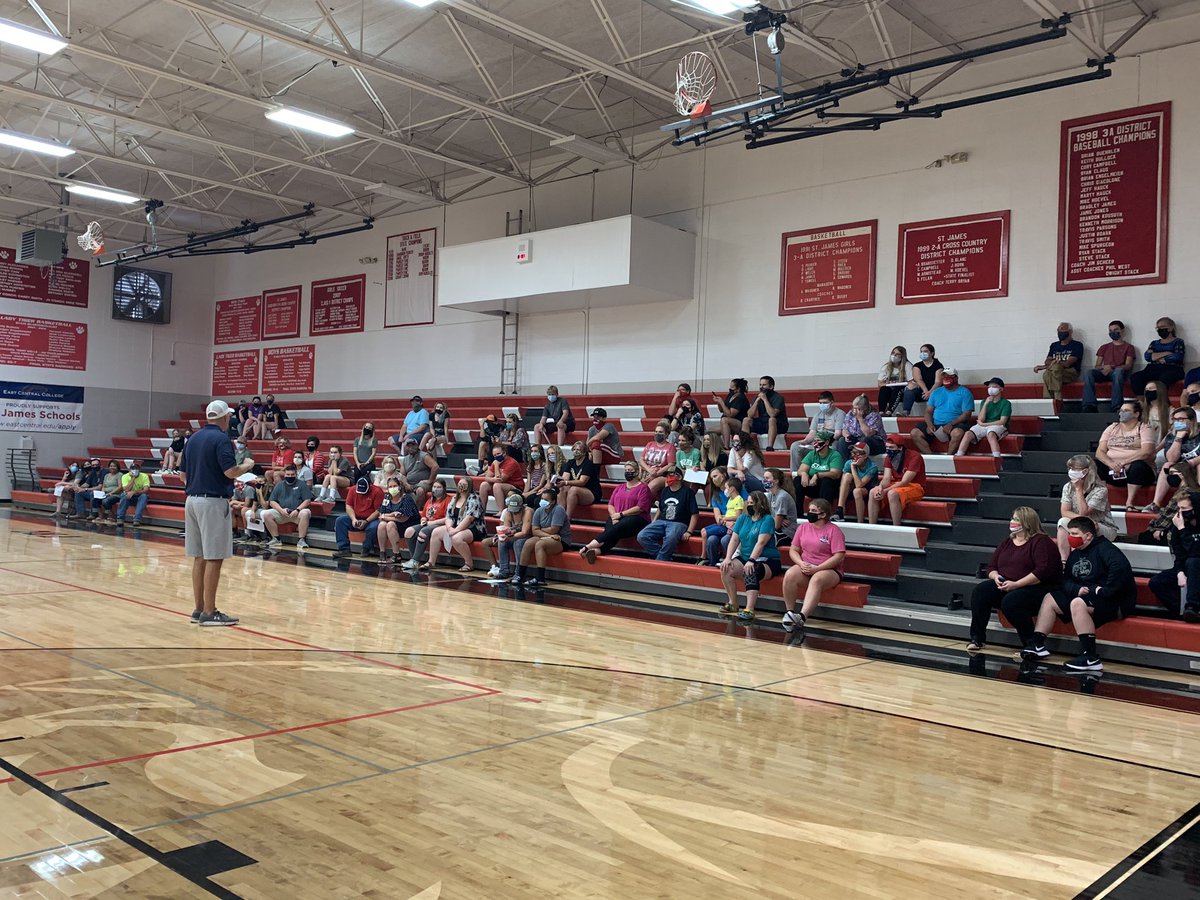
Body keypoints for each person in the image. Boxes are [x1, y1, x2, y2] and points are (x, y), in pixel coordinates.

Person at [1022, 517, 1136, 672]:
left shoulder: (1107, 550)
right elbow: (1065, 579)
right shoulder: (1076, 554)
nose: (1070, 537)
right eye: (1069, 533)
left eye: (1075, 533)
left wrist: (1101, 591)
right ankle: (1037, 644)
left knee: (1077, 603)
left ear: (1088, 535)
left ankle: (1090, 656)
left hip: (1112, 601)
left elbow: (1120, 574)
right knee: (1050, 598)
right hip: (1085, 595)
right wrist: (1076, 589)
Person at [179, 400, 254, 626]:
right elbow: (230, 471)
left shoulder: (192, 439)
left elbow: (183, 475)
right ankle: (210, 612)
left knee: (199, 557)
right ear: (224, 418)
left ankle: (199, 609)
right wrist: (247, 466)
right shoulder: (222, 439)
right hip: (212, 502)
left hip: (191, 500)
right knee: (214, 557)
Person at [967, 505, 1061, 652]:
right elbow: (991, 567)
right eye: (1012, 518)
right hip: (1008, 585)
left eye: (1016, 519)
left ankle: (1031, 644)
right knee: (981, 591)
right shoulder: (1007, 542)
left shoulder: (1041, 541)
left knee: (1011, 601)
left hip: (1036, 588)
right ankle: (977, 638)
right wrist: (996, 576)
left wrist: (1017, 584)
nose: (1012, 521)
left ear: (1027, 522)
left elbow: (1042, 572)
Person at [779, 498, 847, 634]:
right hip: (806, 566)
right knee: (790, 574)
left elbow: (839, 556)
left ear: (823, 514)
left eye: (814, 511)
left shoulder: (834, 531)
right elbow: (793, 549)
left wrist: (817, 568)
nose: (809, 513)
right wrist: (801, 563)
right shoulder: (803, 527)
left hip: (829, 569)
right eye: (809, 510)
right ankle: (790, 612)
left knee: (817, 579)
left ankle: (802, 617)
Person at [717, 490, 781, 623]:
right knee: (726, 568)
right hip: (745, 556)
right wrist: (728, 557)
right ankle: (733, 603)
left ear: (761, 504)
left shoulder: (768, 519)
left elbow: (761, 542)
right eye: (749, 502)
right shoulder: (743, 518)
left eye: (753, 503)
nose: (749, 505)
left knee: (751, 570)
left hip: (767, 560)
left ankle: (749, 609)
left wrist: (751, 560)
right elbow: (734, 540)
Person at [578, 462, 651, 564]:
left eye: (630, 471)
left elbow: (640, 508)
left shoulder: (643, 488)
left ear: (637, 472)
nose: (628, 473)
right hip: (617, 516)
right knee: (612, 529)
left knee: (617, 528)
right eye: (626, 471)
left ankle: (588, 546)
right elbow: (610, 504)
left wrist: (621, 514)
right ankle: (596, 551)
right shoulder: (619, 487)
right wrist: (614, 516)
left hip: (637, 518)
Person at [1148, 491, 1200, 621]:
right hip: (1188, 566)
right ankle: (1183, 612)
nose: (1180, 512)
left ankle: (1193, 606)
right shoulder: (1178, 525)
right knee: (1156, 582)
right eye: (1179, 508)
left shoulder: (1180, 526)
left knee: (1193, 561)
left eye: (1184, 509)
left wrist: (1182, 529)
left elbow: (1196, 551)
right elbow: (1179, 554)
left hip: (1196, 564)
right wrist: (1180, 572)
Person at [1095, 400, 1157, 509]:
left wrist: (1124, 462)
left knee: (1138, 466)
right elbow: (1099, 452)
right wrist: (1111, 463)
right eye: (1121, 410)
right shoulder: (1112, 427)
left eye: (1126, 410)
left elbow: (1147, 451)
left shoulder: (1144, 428)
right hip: (1113, 469)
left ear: (1136, 414)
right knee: (1095, 464)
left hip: (1138, 472)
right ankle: (1101, 500)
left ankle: (1130, 503)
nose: (1122, 413)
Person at [1057, 454, 1118, 561]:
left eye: (1074, 468)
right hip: (1082, 523)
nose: (1071, 471)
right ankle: (1064, 561)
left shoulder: (1101, 490)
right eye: (1070, 468)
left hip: (1103, 526)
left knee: (1081, 528)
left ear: (1085, 471)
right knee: (1063, 522)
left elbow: (1084, 512)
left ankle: (1085, 560)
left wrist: (1079, 490)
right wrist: (1083, 519)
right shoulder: (1068, 486)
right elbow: (1065, 512)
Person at [636, 466, 700, 561]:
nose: (668, 477)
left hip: (679, 523)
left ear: (679, 477)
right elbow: (661, 508)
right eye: (667, 475)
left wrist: (689, 531)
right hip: (662, 521)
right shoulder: (665, 491)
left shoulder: (688, 492)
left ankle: (660, 560)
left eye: (671, 474)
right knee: (642, 536)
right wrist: (654, 521)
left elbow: (694, 513)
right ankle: (663, 557)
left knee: (671, 538)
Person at [1143, 407, 1200, 512]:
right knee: (1167, 465)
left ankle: (1185, 505)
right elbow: (1171, 459)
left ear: (1191, 420)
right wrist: (1178, 438)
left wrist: (1190, 463)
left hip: (1195, 469)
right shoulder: (1172, 436)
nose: (1177, 422)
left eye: (1181, 419)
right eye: (1175, 419)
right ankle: (1155, 504)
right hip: (1179, 470)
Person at [514, 486, 571, 587]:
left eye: (545, 499)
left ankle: (540, 578)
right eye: (542, 499)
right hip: (550, 537)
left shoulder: (559, 509)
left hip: (561, 539)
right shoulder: (539, 511)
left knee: (540, 545)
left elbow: (554, 529)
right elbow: (534, 531)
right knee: (527, 543)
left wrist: (540, 530)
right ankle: (520, 575)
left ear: (553, 501)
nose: (542, 501)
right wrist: (547, 535)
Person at [909, 367, 973, 455]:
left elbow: (966, 414)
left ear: (956, 378)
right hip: (936, 423)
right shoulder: (936, 392)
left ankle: (948, 458)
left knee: (957, 433)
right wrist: (929, 424)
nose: (946, 377)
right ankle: (931, 457)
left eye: (949, 375)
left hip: (956, 424)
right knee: (914, 433)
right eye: (944, 375)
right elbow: (928, 412)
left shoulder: (965, 392)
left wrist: (951, 424)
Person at [427, 478, 485, 571]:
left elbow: (470, 518)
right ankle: (431, 562)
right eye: (459, 483)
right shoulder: (454, 498)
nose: (461, 485)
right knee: (436, 532)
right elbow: (448, 516)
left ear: (469, 486)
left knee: (456, 538)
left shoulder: (474, 498)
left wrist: (456, 530)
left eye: (463, 484)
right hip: (456, 526)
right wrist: (449, 528)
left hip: (474, 528)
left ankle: (469, 563)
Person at [868, 435, 926, 526]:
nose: (888, 450)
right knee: (873, 491)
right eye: (887, 447)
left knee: (892, 493)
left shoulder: (915, 456)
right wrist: (880, 487)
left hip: (914, 485)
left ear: (900, 447)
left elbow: (905, 481)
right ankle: (871, 526)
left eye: (891, 447)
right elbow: (886, 478)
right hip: (896, 484)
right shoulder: (889, 457)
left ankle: (896, 527)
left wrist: (886, 491)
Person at [1081, 320, 1137, 413]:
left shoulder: (1129, 347)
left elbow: (1128, 365)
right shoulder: (1104, 347)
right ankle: (1089, 405)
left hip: (1119, 373)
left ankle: (1117, 406)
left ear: (1122, 331)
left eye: (1116, 330)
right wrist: (1104, 367)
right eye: (1110, 330)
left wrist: (1112, 367)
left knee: (1118, 372)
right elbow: (1097, 365)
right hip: (1104, 372)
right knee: (1089, 373)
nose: (1113, 332)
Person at [1129, 316, 1185, 404]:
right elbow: (1148, 357)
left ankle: (1160, 403)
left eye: (1162, 327)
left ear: (1171, 328)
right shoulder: (1154, 343)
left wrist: (1156, 357)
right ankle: (1141, 403)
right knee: (1136, 377)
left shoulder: (1178, 341)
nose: (1160, 330)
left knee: (1164, 378)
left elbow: (1177, 357)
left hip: (1172, 369)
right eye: (1158, 328)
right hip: (1153, 368)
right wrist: (1167, 352)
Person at [261, 462, 314, 550]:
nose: (290, 476)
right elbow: (272, 501)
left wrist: (297, 510)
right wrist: (281, 510)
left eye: (292, 474)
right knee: (266, 514)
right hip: (283, 512)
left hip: (297, 513)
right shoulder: (279, 485)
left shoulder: (301, 484)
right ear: (284, 475)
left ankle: (301, 540)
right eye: (288, 474)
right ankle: (276, 539)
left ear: (296, 474)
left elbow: (307, 500)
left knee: (305, 512)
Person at [401, 481, 451, 570]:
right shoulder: (429, 500)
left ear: (444, 489)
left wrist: (431, 523)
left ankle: (415, 560)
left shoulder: (448, 500)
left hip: (440, 525)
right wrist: (423, 519)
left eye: (439, 487)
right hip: (427, 523)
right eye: (434, 487)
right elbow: (424, 515)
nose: (436, 489)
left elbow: (448, 518)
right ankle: (414, 559)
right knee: (409, 531)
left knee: (423, 532)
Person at [957, 377, 1011, 458]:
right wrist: (986, 404)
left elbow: (1002, 421)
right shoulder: (984, 401)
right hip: (983, 425)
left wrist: (984, 424)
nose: (991, 389)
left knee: (991, 434)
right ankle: (959, 456)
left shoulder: (1006, 403)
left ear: (1001, 389)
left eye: (994, 386)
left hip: (998, 426)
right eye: (989, 387)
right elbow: (981, 419)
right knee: (968, 434)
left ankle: (997, 459)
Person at [332, 477, 385, 559]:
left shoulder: (378, 491)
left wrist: (366, 521)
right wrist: (353, 519)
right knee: (340, 521)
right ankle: (344, 549)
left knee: (374, 526)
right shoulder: (353, 490)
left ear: (370, 486)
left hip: (371, 519)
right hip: (356, 517)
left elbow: (378, 511)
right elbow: (348, 506)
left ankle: (366, 549)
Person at [700, 472, 746, 566]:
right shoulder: (726, 498)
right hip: (724, 524)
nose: (713, 479)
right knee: (711, 540)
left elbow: (740, 515)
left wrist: (725, 519)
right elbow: (718, 518)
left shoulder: (739, 498)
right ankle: (712, 563)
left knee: (724, 540)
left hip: (734, 525)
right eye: (711, 477)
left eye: (715, 476)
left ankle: (730, 561)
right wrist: (724, 520)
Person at [789, 391, 845, 465]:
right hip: (816, 441)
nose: (822, 405)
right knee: (795, 446)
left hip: (831, 442)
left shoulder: (840, 414)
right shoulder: (817, 415)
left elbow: (838, 433)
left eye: (825, 403)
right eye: (820, 403)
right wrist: (805, 441)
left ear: (831, 402)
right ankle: (796, 473)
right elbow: (812, 432)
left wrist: (824, 442)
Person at [484, 491, 532, 578]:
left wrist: (510, 536)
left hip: (528, 536)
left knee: (518, 543)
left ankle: (519, 572)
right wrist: (502, 536)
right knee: (502, 542)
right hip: (515, 535)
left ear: (522, 506)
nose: (514, 512)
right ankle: (504, 570)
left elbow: (525, 532)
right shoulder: (508, 512)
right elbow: (506, 529)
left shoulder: (528, 511)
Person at [1034, 322, 1084, 402]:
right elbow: (1047, 361)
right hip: (1056, 373)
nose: (1060, 332)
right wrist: (1052, 363)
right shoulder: (1054, 345)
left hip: (1070, 373)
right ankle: (1054, 400)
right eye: (1058, 330)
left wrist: (1052, 364)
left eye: (1062, 330)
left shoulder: (1077, 345)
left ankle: (1052, 401)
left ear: (1070, 332)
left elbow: (1067, 364)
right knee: (1047, 374)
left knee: (1054, 369)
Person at [377, 478, 421, 565]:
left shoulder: (407, 499)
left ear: (400, 487)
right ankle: (382, 552)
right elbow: (381, 515)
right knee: (382, 525)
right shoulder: (386, 498)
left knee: (390, 524)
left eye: (394, 486)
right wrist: (392, 514)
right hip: (396, 524)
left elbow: (403, 518)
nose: (392, 488)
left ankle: (396, 554)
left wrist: (386, 517)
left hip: (409, 525)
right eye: (390, 486)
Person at [835, 442, 879, 523]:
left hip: (868, 490)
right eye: (853, 452)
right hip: (852, 488)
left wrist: (853, 467)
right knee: (847, 475)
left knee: (857, 491)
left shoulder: (872, 467)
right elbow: (843, 482)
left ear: (865, 456)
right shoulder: (848, 462)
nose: (854, 456)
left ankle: (860, 521)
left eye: (857, 453)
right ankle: (840, 508)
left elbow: (859, 485)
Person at [742, 375, 789, 451]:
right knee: (746, 420)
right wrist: (757, 401)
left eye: (764, 385)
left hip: (778, 424)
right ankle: (745, 446)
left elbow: (772, 414)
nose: (761, 387)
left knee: (772, 419)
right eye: (760, 385)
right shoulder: (756, 397)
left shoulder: (778, 397)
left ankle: (770, 446)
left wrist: (765, 399)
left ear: (771, 387)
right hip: (763, 422)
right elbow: (750, 415)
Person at [794, 432, 844, 504]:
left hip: (830, 488)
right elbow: (801, 470)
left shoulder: (835, 455)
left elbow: (836, 474)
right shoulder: (812, 454)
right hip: (813, 485)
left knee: (827, 481)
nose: (815, 443)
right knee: (797, 480)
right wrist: (804, 474)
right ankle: (798, 513)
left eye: (818, 441)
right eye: (814, 441)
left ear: (826, 442)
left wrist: (818, 475)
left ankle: (824, 510)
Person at [560, 441, 602, 520]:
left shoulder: (588, 464)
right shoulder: (570, 462)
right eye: (574, 449)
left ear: (584, 452)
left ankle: (567, 518)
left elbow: (582, 482)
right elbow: (565, 477)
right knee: (562, 488)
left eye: (578, 450)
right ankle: (561, 514)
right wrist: (561, 481)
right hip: (576, 490)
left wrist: (566, 482)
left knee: (573, 489)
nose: (575, 451)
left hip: (591, 492)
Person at [900, 344, 945, 415]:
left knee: (938, 394)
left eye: (925, 351)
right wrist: (926, 391)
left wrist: (930, 392)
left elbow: (938, 382)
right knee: (909, 391)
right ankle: (905, 412)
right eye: (921, 351)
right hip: (922, 390)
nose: (922, 353)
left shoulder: (938, 365)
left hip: (935, 389)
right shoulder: (917, 366)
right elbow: (919, 380)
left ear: (932, 353)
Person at [837, 394, 884, 458]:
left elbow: (868, 434)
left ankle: (858, 463)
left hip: (874, 442)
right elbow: (845, 429)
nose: (855, 411)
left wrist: (860, 419)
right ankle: (845, 465)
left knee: (865, 440)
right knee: (841, 441)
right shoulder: (850, 414)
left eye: (858, 409)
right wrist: (846, 435)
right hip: (856, 439)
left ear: (865, 408)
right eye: (854, 408)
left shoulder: (874, 416)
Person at [481, 444, 525, 512]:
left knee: (497, 485)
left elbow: (500, 480)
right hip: (502, 485)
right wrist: (493, 479)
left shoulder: (511, 463)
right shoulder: (496, 462)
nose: (496, 456)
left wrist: (496, 465)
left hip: (516, 487)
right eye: (494, 455)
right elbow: (486, 477)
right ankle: (482, 510)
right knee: (484, 485)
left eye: (498, 454)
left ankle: (501, 511)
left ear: (504, 453)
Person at [397, 438, 439, 507]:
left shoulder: (424, 456)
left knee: (420, 490)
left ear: (417, 445)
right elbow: (402, 475)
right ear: (406, 447)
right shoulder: (405, 459)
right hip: (409, 483)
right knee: (396, 488)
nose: (411, 447)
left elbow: (435, 466)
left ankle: (418, 511)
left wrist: (430, 480)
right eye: (409, 446)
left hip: (422, 483)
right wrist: (406, 484)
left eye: (413, 445)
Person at [763, 467, 798, 545]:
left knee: (763, 539)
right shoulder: (770, 495)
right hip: (776, 529)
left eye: (767, 478)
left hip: (786, 532)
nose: (764, 480)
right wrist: (775, 518)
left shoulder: (782, 497)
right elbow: (765, 515)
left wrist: (776, 519)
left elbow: (776, 525)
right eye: (764, 478)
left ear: (776, 481)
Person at [713, 378, 750, 449]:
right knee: (710, 432)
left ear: (738, 389)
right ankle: (720, 447)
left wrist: (722, 402)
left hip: (739, 423)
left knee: (724, 420)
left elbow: (730, 414)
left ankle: (726, 446)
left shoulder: (740, 398)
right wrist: (718, 403)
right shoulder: (730, 395)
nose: (730, 389)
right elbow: (722, 410)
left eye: (732, 388)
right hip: (727, 424)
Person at [639, 424, 677, 495]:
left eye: (660, 432)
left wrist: (655, 474)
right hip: (647, 471)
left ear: (666, 434)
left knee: (650, 488)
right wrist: (649, 470)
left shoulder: (670, 447)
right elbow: (641, 460)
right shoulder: (649, 444)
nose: (657, 434)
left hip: (661, 475)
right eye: (656, 432)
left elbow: (671, 464)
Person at [877, 346, 912, 414]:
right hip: (890, 389)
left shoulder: (907, 365)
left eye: (897, 354)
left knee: (897, 389)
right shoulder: (886, 367)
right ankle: (881, 412)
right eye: (893, 353)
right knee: (883, 389)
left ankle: (889, 411)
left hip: (902, 390)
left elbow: (911, 381)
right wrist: (888, 384)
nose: (894, 355)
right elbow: (879, 383)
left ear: (902, 356)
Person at [116, 460, 151, 527]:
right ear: (130, 470)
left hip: (139, 496)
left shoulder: (144, 476)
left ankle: (137, 520)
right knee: (124, 495)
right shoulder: (125, 476)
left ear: (139, 469)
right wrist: (133, 478)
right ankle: (120, 518)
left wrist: (134, 492)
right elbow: (125, 489)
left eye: (136, 469)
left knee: (144, 496)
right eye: (133, 469)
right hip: (128, 496)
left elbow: (146, 489)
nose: (134, 470)